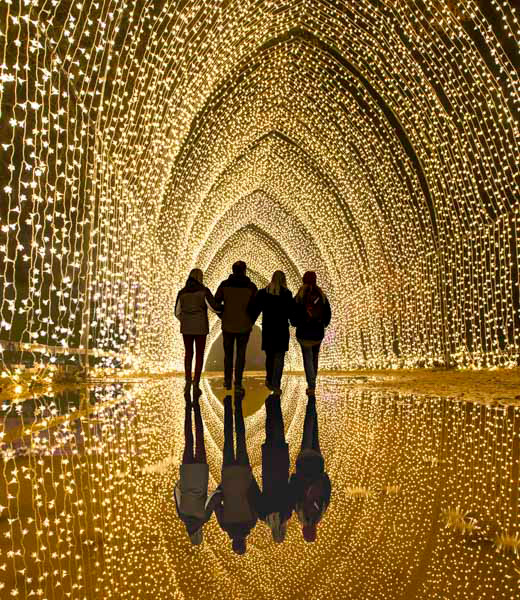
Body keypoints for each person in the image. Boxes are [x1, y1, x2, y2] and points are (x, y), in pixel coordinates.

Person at [212, 394, 261, 554]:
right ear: (233, 542)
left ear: (244, 542)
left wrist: (251, 477)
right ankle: (227, 404)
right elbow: (216, 503)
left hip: (243, 472)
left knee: (240, 438)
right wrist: (222, 486)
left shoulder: (251, 522)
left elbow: (254, 497)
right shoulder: (225, 525)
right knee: (228, 438)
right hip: (228, 474)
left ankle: (238, 403)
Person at [174, 392, 219, 545]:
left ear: (200, 534)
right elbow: (176, 492)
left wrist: (222, 491)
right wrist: (182, 481)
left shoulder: (203, 518)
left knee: (199, 437)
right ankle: (188, 405)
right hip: (187, 473)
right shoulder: (182, 516)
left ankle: (197, 405)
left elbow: (213, 498)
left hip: (200, 474)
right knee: (189, 438)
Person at [289, 395, 331, 543]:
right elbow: (293, 490)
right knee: (307, 432)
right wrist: (294, 476)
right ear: (304, 530)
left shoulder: (321, 512)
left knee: (314, 434)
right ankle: (310, 403)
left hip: (317, 464)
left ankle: (312, 404)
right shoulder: (300, 512)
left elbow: (327, 491)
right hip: (303, 464)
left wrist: (324, 476)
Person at [175, 268, 221, 396]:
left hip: (186, 328)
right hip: (201, 327)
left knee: (189, 353)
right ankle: (196, 383)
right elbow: (214, 307)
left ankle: (188, 380)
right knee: (199, 354)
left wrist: (185, 320)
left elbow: (177, 312)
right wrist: (224, 309)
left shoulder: (182, 292)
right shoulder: (204, 291)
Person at [215, 261, 257, 393]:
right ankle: (238, 383)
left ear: (233, 270)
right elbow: (255, 306)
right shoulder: (250, 287)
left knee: (228, 354)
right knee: (240, 354)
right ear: (244, 270)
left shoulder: (224, 285)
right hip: (244, 325)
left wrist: (223, 315)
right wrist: (250, 320)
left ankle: (227, 381)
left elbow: (216, 302)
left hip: (228, 324)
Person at [250, 271, 293, 395]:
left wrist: (249, 321)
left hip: (269, 330)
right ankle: (276, 383)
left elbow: (255, 309)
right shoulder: (287, 294)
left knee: (270, 356)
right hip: (281, 330)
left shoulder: (264, 293)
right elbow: (291, 312)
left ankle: (269, 379)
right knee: (279, 357)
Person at [257, 394, 293, 543]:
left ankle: (275, 403)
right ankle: (269, 405)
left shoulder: (287, 514)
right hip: (268, 467)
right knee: (270, 432)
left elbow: (290, 490)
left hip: (281, 465)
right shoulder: (263, 515)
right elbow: (257, 494)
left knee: (278, 432)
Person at [291, 271, 331, 396]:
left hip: (304, 333)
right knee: (314, 357)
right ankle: (313, 383)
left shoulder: (299, 296)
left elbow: (293, 314)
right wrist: (323, 324)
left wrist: (296, 323)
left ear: (303, 280)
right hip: (317, 333)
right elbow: (328, 313)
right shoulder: (321, 295)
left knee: (307, 358)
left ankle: (311, 385)